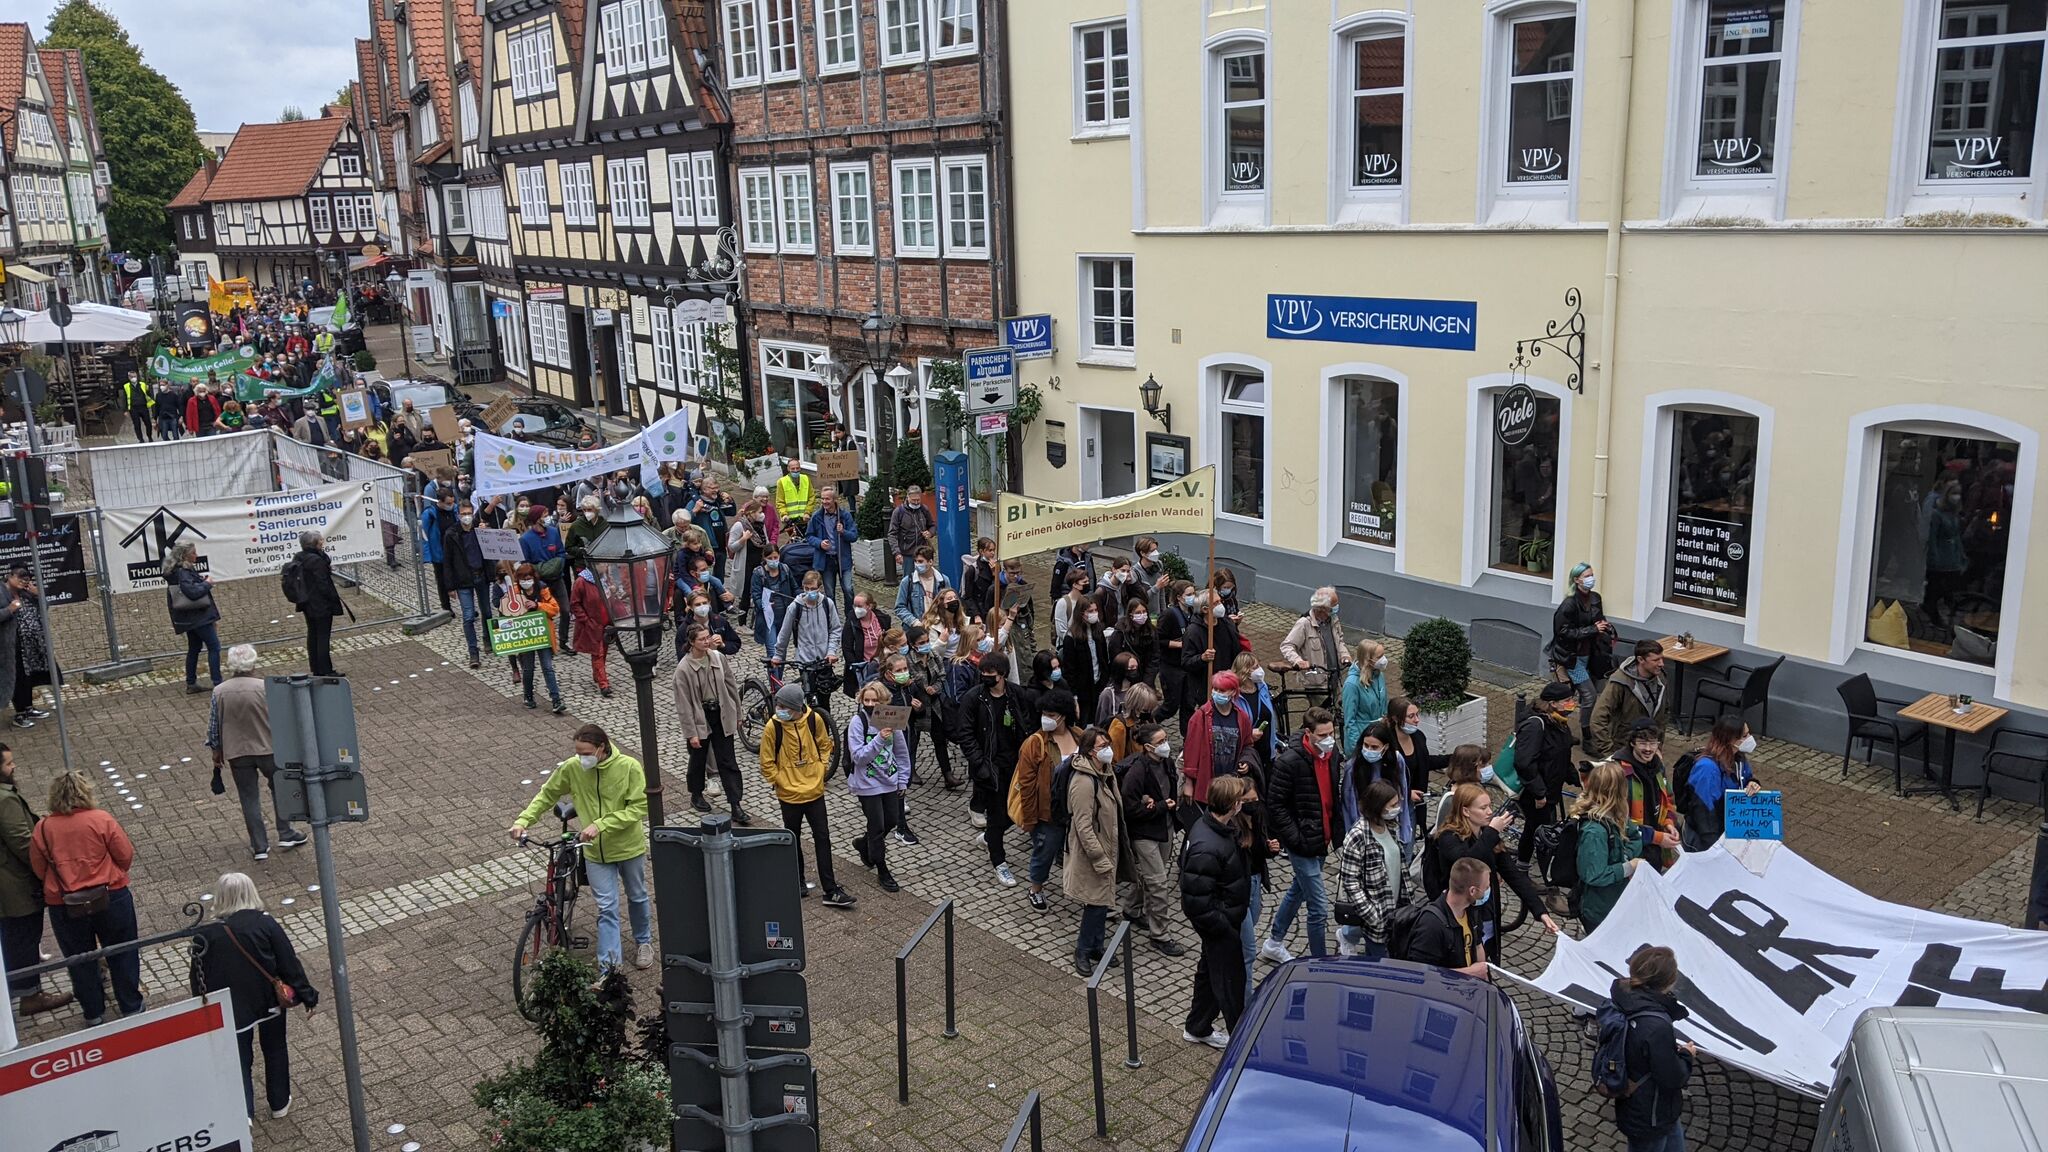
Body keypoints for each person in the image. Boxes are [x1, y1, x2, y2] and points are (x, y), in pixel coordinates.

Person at [508, 724, 654, 971]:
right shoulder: (572, 768)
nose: (581, 758)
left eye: (586, 753)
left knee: (637, 896)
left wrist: (601, 824)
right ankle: (609, 969)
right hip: (594, 851)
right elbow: (547, 795)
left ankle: (644, 941)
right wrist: (523, 820)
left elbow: (640, 807)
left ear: (601, 748)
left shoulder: (629, 767)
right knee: (607, 907)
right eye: (578, 752)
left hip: (628, 848)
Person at [189, 873, 319, 1121]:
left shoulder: (206, 935)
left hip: (232, 1008)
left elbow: (197, 976)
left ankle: (245, 1112)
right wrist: (307, 996)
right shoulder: (265, 924)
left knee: (240, 1059)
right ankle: (279, 1103)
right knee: (275, 1049)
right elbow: (288, 964)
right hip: (268, 1001)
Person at [29, 771, 143, 1025]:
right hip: (111, 895)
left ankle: (93, 1012)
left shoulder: (44, 828)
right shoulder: (101, 819)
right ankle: (130, 1006)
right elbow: (124, 855)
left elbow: (38, 868)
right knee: (122, 950)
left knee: (79, 958)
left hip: (64, 903)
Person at [1423, 783, 1560, 962]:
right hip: (1458, 915)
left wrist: (1540, 911)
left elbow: (1513, 874)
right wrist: (1492, 832)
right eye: (1483, 807)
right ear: (1465, 811)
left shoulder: (1486, 836)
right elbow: (1466, 863)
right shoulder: (1448, 837)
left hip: (1486, 912)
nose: (1490, 812)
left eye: (1490, 806)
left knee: (1488, 957)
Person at [207, 645, 308, 861]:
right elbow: (283, 719)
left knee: (248, 797)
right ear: (253, 663)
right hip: (268, 747)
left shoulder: (219, 691)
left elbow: (214, 726)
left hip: (237, 751)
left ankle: (259, 845)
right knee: (279, 788)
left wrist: (216, 751)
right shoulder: (265, 687)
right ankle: (285, 832)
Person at [759, 682, 855, 907]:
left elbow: (825, 745)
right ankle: (797, 880)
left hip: (814, 792)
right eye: (778, 705)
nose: (778, 709)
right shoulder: (773, 727)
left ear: (796, 707)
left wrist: (820, 770)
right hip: (789, 795)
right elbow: (766, 762)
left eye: (783, 706)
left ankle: (830, 889)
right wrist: (780, 781)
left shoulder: (814, 720)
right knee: (792, 839)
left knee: (823, 838)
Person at [1259, 708, 1342, 962]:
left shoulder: (1333, 754)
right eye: (1323, 734)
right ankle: (1320, 962)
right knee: (1318, 907)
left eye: (1331, 733)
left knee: (1299, 890)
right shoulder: (1289, 762)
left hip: (1321, 839)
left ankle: (1274, 941)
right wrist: (1294, 838)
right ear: (1308, 733)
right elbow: (1275, 805)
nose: (1329, 739)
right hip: (1302, 842)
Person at [1180, 774, 1252, 1047]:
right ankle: (1240, 1040)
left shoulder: (1213, 828)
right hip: (1219, 925)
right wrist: (1223, 925)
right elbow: (1196, 901)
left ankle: (1197, 1026)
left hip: (1224, 920)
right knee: (1230, 979)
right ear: (1232, 805)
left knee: (1210, 974)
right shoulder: (1207, 846)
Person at [2, 744, 71, 1015]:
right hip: (14, 886)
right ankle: (30, 994)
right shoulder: (4, 800)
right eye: (8, 764)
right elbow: (22, 843)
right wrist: (46, 870)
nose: (14, 767)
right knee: (23, 936)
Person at [1610, 946, 1696, 1152]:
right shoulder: (1656, 1025)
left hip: (1646, 1107)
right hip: (1650, 1113)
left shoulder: (1623, 997)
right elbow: (1673, 1076)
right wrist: (1686, 1055)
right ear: (1669, 981)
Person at [957, 649, 1032, 875]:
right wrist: (980, 764)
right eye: (983, 671)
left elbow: (1027, 722)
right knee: (997, 815)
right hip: (989, 767)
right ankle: (999, 861)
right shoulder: (974, 698)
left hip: (1016, 764)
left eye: (990, 672)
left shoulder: (1017, 695)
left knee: (1017, 811)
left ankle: (989, 837)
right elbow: (966, 734)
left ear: (1002, 674)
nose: (985, 676)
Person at [1116, 723, 1185, 955]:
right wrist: (1159, 807)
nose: (1166, 745)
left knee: (1151, 876)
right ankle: (1160, 935)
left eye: (1166, 739)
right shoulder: (1137, 772)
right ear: (1147, 747)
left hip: (1164, 829)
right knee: (1158, 883)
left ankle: (1132, 908)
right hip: (1145, 833)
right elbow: (1130, 809)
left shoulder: (1166, 762)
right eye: (1161, 741)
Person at [672, 622, 750, 823]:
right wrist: (691, 734)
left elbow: (732, 687)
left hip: (721, 714)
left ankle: (735, 804)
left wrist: (738, 714)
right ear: (691, 642)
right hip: (700, 718)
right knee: (698, 759)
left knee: (728, 760)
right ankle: (696, 794)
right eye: (701, 639)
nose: (707, 641)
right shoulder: (683, 669)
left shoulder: (718, 658)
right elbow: (684, 705)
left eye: (708, 637)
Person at [1065, 727, 1124, 975]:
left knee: (1102, 902)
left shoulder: (1105, 772)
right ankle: (1083, 950)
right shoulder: (1083, 782)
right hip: (1093, 853)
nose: (1108, 749)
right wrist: (1099, 856)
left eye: (1107, 744)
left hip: (1107, 847)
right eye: (1102, 746)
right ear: (1090, 752)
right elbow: (1083, 825)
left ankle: (1097, 946)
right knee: (1095, 903)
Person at [1012, 689, 1079, 908]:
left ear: (1063, 715)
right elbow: (1027, 785)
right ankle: (1036, 888)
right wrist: (1030, 820)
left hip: (1077, 809)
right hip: (1048, 812)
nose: (1046, 718)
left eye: (1051, 714)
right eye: (1044, 713)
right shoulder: (1035, 743)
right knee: (1044, 851)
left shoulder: (1078, 735)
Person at [847, 681, 911, 893]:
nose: (870, 704)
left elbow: (902, 753)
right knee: (877, 826)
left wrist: (903, 780)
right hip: (867, 784)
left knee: (892, 820)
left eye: (875, 700)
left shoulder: (891, 719)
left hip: (889, 782)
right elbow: (859, 757)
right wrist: (879, 740)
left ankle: (864, 844)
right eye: (867, 700)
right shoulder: (858, 722)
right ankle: (882, 869)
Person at [1335, 779, 1404, 959]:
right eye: (1393, 805)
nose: (1398, 808)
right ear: (1378, 806)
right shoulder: (1357, 836)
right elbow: (1350, 882)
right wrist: (1371, 915)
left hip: (1395, 911)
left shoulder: (1391, 826)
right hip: (1377, 917)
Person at [1514, 681, 1582, 863]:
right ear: (1553, 703)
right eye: (1567, 700)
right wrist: (1539, 793)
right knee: (1533, 830)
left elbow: (1561, 756)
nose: (1572, 703)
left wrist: (1579, 779)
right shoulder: (1536, 726)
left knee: (1542, 826)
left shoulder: (1559, 722)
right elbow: (1524, 763)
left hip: (1551, 789)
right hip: (1537, 793)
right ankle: (1522, 868)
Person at [1572, 761, 1644, 932]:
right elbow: (1594, 875)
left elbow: (1635, 837)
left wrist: (1624, 855)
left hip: (1615, 902)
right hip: (1600, 910)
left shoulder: (1616, 815)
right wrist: (1628, 866)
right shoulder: (1595, 832)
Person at [1550, 561, 1614, 746]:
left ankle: (1558, 726)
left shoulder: (1595, 598)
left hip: (1591, 656)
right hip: (1571, 658)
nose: (1591, 579)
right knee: (1589, 696)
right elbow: (1562, 632)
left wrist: (1604, 627)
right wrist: (1592, 629)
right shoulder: (1568, 605)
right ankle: (1586, 736)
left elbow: (1599, 620)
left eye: (1591, 575)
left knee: (1570, 699)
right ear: (1577, 580)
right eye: (1587, 576)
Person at [1180, 672, 1255, 818]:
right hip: (1207, 783)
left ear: (1233, 691)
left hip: (1230, 784)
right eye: (1215, 689)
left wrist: (1245, 761)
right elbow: (1191, 750)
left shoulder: (1242, 717)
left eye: (1222, 690)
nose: (1216, 693)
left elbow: (1247, 744)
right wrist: (1189, 783)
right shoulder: (1201, 716)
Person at [1404, 855, 1492, 979]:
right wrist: (1471, 972)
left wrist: (1485, 983)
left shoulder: (1471, 910)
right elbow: (1422, 973)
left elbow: (1477, 946)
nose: (1488, 890)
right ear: (1473, 891)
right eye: (1486, 887)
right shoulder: (1431, 924)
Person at [1682, 714, 1763, 851]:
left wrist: (1753, 783)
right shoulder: (1707, 769)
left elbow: (1746, 777)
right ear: (1731, 739)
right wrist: (1714, 847)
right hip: (1705, 839)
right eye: (1745, 736)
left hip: (1726, 831)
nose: (1749, 739)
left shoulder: (1738, 757)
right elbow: (1703, 811)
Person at [1617, 718, 1683, 872]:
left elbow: (1669, 799)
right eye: (1642, 743)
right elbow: (1617, 819)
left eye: (1653, 743)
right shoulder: (1619, 771)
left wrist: (1669, 823)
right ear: (1632, 742)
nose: (1648, 749)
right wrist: (1657, 838)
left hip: (1656, 845)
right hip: (1631, 847)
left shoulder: (1658, 766)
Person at [501, 562, 566, 713]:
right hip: (526, 637)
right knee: (528, 668)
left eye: (528, 578)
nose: (526, 581)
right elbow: (506, 612)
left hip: (542, 636)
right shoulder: (514, 592)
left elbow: (554, 609)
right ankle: (528, 696)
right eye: (523, 579)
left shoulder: (542, 589)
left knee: (548, 668)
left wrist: (538, 606)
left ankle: (556, 700)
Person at [1590, 639, 1670, 758]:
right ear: (1640, 660)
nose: (1661, 664)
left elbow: (1664, 713)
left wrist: (1657, 746)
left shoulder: (1660, 678)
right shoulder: (1620, 682)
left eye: (1662, 659)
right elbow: (1597, 718)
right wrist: (1609, 753)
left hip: (1649, 749)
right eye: (1656, 660)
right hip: (1624, 749)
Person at [165, 541, 223, 692]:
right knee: (214, 646)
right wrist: (207, 584)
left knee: (194, 648)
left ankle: (191, 683)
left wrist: (199, 582)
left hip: (187, 617)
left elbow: (187, 588)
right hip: (198, 616)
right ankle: (218, 682)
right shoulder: (184, 572)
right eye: (193, 553)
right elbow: (192, 593)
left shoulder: (175, 571)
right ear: (184, 555)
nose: (196, 555)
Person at [440, 498, 490, 668]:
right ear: (458, 515)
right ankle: (473, 652)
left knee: (487, 612)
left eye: (469, 514)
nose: (467, 517)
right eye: (464, 514)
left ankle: (488, 639)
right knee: (468, 616)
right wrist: (450, 586)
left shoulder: (479, 529)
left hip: (481, 576)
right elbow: (447, 561)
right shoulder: (451, 534)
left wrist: (486, 533)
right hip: (463, 580)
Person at [1280, 588, 1348, 708]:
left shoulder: (1333, 619)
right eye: (1333, 607)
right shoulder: (1304, 624)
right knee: (1321, 719)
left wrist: (1345, 655)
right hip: (1317, 682)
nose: (1336, 609)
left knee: (1334, 714)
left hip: (1334, 678)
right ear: (1322, 608)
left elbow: (1340, 641)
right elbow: (1287, 646)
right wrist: (1298, 661)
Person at [1059, 593, 1118, 727]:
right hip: (1083, 689)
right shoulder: (1071, 637)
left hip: (1099, 684)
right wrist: (1074, 696)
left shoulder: (1098, 630)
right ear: (1081, 613)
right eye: (1090, 611)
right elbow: (1070, 670)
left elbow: (1103, 657)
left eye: (1096, 610)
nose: (1094, 614)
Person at [293, 531, 346, 678]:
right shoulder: (317, 561)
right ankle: (325, 669)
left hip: (307, 603)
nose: (323, 541)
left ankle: (316, 667)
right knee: (322, 636)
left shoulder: (300, 557)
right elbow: (323, 585)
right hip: (320, 604)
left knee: (313, 634)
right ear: (316, 543)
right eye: (320, 540)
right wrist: (331, 599)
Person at [520, 507, 573, 652]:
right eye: (545, 515)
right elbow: (526, 563)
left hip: (557, 578)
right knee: (543, 612)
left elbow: (561, 552)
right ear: (537, 518)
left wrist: (556, 565)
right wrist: (540, 570)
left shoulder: (554, 532)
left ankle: (563, 640)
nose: (548, 517)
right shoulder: (525, 539)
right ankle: (546, 641)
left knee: (566, 610)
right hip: (541, 583)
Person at [6, 568, 53, 727]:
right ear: (10, 576)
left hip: (29, 644)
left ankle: (28, 707)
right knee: (17, 678)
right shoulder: (3, 594)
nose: (24, 581)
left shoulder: (26, 593)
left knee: (28, 677)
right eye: (20, 577)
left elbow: (44, 609)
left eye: (27, 578)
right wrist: (9, 610)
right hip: (10, 645)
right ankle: (20, 714)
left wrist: (38, 594)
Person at [1183, 589, 1242, 702]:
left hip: (1228, 681)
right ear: (1205, 609)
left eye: (1220, 601)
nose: (1220, 605)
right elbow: (1186, 662)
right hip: (1207, 686)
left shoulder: (1227, 623)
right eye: (1216, 603)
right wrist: (1202, 658)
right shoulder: (1193, 632)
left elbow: (1236, 649)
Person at [806, 488, 858, 611]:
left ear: (835, 500)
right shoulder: (817, 516)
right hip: (826, 561)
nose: (824, 501)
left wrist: (843, 532)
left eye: (827, 499)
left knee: (848, 589)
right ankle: (832, 617)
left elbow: (854, 536)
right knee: (830, 593)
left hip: (843, 559)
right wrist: (820, 543)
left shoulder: (845, 516)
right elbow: (809, 536)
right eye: (822, 498)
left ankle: (850, 615)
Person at [569, 565, 613, 697]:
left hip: (606, 623)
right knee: (597, 653)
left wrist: (614, 591)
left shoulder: (605, 580)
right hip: (593, 625)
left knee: (603, 651)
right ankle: (603, 684)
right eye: (602, 564)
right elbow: (575, 604)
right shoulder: (581, 582)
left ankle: (598, 675)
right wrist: (586, 621)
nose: (605, 567)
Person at [1341, 639, 1389, 756]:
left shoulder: (1379, 675)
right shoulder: (1352, 684)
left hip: (1379, 737)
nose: (1384, 660)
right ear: (1369, 659)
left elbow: (1383, 705)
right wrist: (1357, 748)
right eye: (1379, 656)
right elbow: (1349, 721)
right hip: (1363, 739)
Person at [747, 542, 798, 648]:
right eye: (770, 558)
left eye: (776, 557)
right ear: (765, 558)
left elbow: (794, 588)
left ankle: (779, 665)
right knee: (772, 649)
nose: (773, 560)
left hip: (784, 615)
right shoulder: (758, 573)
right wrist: (764, 605)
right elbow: (756, 595)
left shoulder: (785, 570)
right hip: (768, 618)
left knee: (781, 647)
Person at [894, 544, 950, 629]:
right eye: (915, 561)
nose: (917, 564)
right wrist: (915, 622)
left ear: (930, 562)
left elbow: (949, 603)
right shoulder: (908, 582)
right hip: (916, 629)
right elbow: (899, 607)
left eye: (920, 561)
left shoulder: (943, 580)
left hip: (938, 627)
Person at [889, 483, 935, 572]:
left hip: (923, 551)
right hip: (907, 553)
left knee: (924, 576)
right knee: (909, 579)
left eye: (918, 500)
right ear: (908, 497)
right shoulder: (899, 512)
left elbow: (932, 525)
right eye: (914, 500)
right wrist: (897, 553)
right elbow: (892, 534)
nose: (916, 503)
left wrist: (930, 533)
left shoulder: (924, 509)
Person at [960, 536, 999, 622]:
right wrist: (976, 615)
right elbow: (968, 596)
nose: (993, 553)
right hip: (979, 609)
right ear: (982, 551)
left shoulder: (995, 566)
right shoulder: (973, 569)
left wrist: (994, 574)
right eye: (990, 550)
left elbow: (997, 589)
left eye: (994, 550)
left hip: (991, 608)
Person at [773, 457, 816, 524]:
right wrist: (784, 514)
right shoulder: (782, 482)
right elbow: (780, 501)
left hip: (805, 518)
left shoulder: (806, 479)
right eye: (793, 468)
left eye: (797, 468)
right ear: (788, 469)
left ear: (800, 468)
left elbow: (811, 497)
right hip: (790, 520)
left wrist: (808, 512)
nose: (795, 470)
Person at [123, 372, 155, 441]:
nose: (133, 378)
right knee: (137, 425)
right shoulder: (126, 386)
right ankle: (140, 439)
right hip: (133, 408)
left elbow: (148, 394)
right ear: (129, 377)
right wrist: (125, 410)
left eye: (135, 376)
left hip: (143, 406)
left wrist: (152, 404)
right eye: (132, 377)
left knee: (148, 423)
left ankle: (149, 436)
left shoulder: (142, 384)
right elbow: (125, 398)